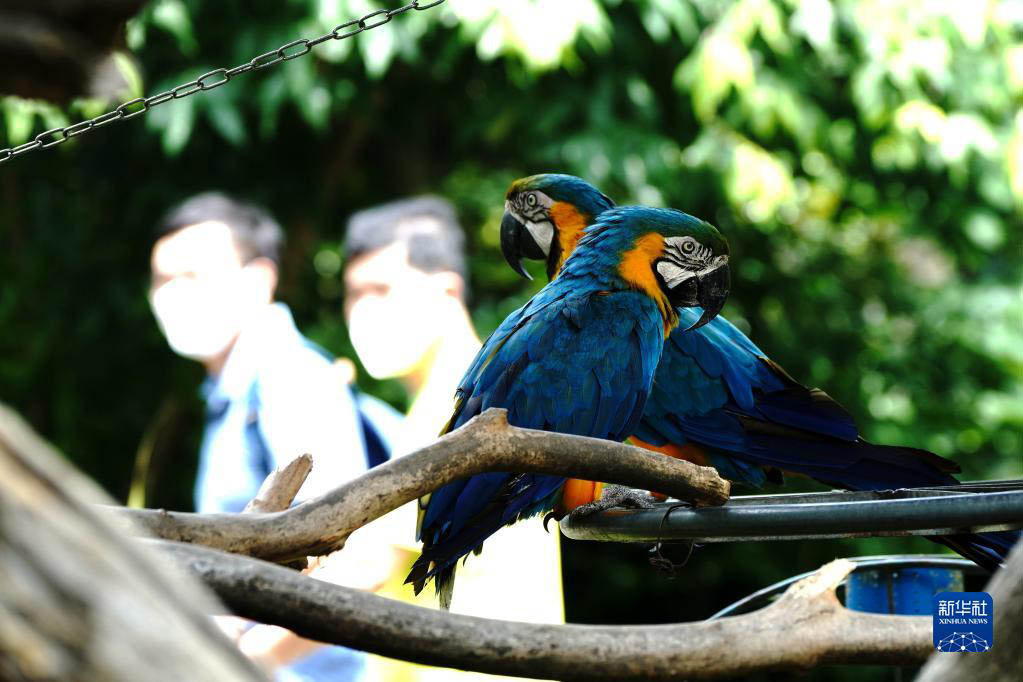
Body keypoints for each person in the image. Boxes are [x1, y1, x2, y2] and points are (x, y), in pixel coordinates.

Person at [148, 192, 401, 681]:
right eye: (162, 280)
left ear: (259, 279)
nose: (174, 294)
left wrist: (241, 660)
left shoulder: (288, 377)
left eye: (193, 276)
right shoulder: (236, 389)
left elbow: (360, 560)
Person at [343, 196, 564, 681]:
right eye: (353, 294)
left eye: (380, 289)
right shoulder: (477, 388)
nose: (361, 311)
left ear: (447, 290)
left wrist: (238, 640)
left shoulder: (458, 406)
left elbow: (372, 567)